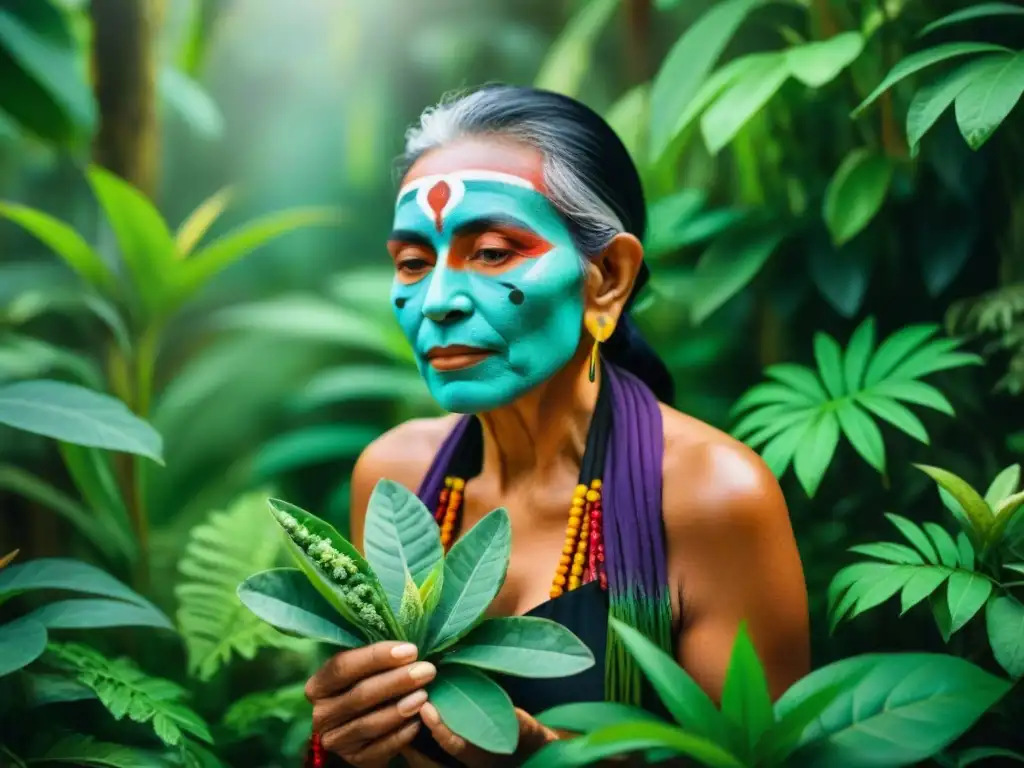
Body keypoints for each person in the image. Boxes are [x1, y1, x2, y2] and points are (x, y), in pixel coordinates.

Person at [302, 84, 809, 768]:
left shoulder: (710, 497)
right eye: (414, 263)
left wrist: (552, 760)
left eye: (492, 252)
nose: (439, 301)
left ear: (606, 278)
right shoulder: (396, 480)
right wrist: (351, 740)